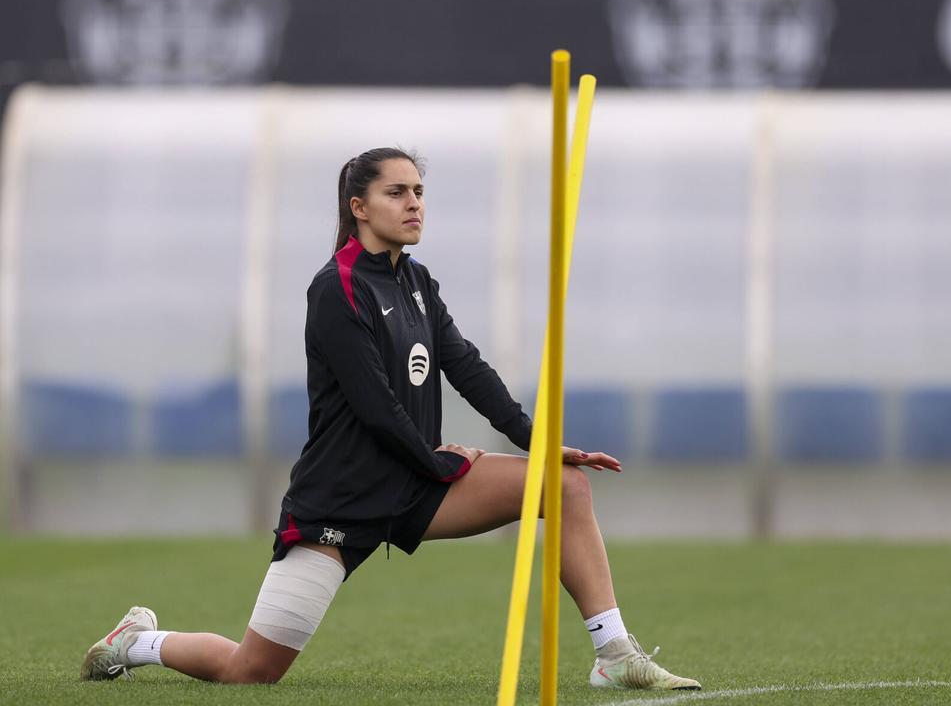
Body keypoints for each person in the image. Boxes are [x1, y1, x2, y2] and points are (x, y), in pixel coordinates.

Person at [80, 146, 700, 692]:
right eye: (396, 192)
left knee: (564, 486)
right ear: (359, 207)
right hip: (342, 500)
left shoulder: (418, 281)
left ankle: (614, 655)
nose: (414, 204)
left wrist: (540, 443)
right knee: (253, 670)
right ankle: (137, 642)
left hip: (412, 484)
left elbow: (468, 368)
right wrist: (437, 462)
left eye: (419, 192)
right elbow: (375, 406)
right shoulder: (336, 286)